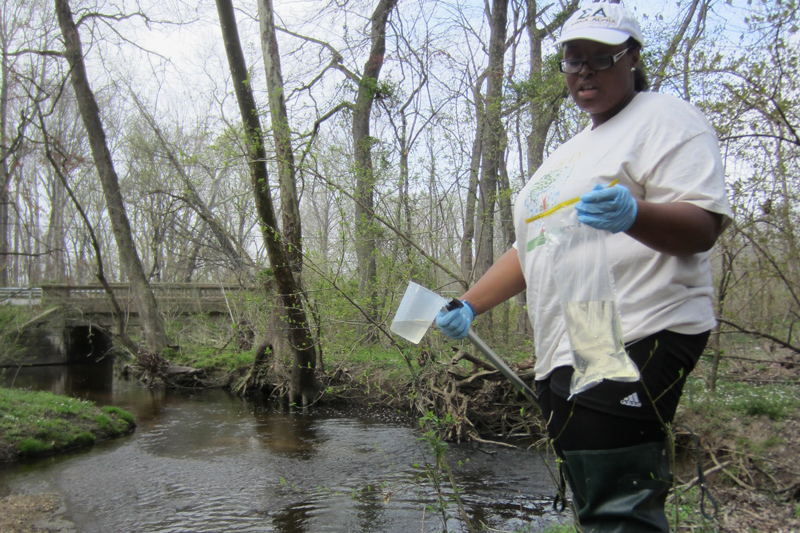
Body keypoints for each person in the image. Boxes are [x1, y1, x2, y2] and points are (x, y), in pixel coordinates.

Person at [436, 2, 732, 532]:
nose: (585, 71)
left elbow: (702, 224)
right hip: (570, 338)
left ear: (632, 58)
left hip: (640, 324)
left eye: (601, 57)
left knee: (619, 506)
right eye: (574, 60)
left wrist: (634, 213)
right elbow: (533, 247)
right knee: (594, 499)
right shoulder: (565, 155)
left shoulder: (665, 116)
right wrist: (470, 303)